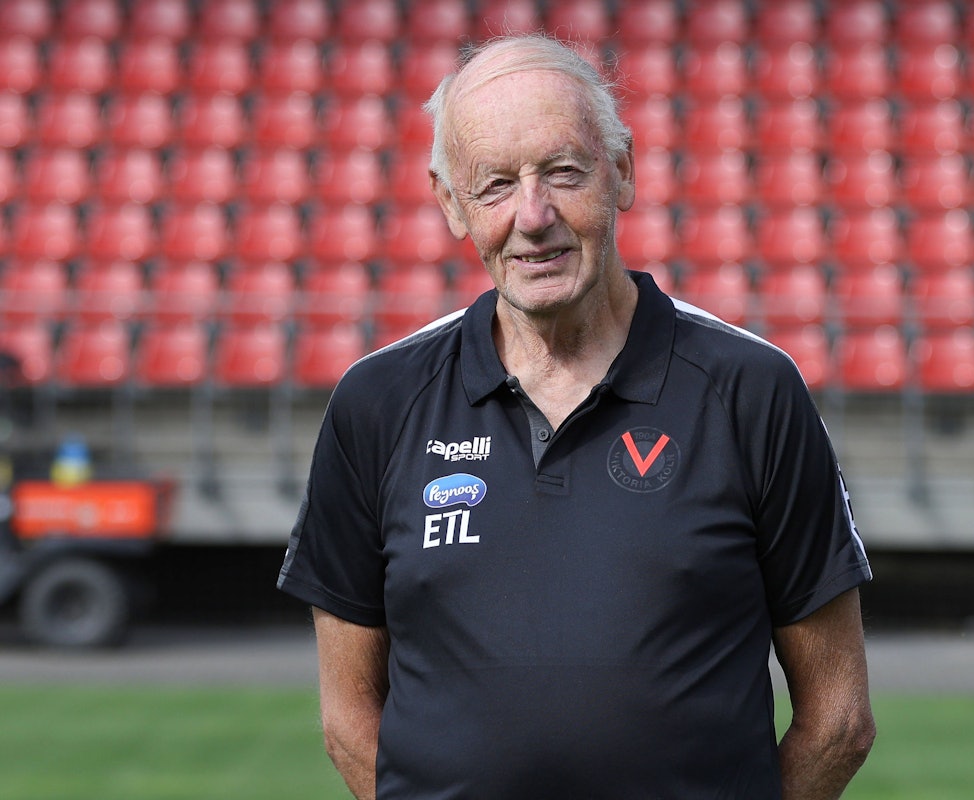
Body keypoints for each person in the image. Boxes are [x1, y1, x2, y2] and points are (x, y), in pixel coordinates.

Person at [278, 33, 875, 799]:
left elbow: (838, 722)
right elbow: (348, 720)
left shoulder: (751, 390)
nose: (533, 216)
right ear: (450, 203)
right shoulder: (376, 402)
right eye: (494, 184)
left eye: (563, 173)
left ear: (620, 171)